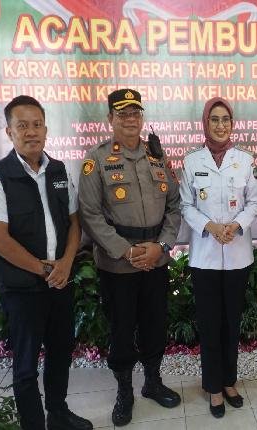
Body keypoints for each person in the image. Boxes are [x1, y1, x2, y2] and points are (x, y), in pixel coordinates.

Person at [0, 95, 92, 430]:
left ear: (45, 129)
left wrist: (66, 263)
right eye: (22, 126)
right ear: (9, 132)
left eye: (37, 125)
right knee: (26, 364)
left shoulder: (59, 170)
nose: (31, 132)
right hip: (23, 288)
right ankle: (33, 424)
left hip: (60, 281)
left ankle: (58, 413)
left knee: (61, 350)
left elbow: (74, 223)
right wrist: (44, 270)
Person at [77, 89, 181, 426]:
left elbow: (174, 206)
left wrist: (161, 246)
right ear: (110, 119)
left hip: (156, 260)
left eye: (135, 113)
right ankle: (124, 391)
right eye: (122, 114)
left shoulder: (157, 157)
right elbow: (89, 214)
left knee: (155, 324)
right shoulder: (96, 160)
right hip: (118, 264)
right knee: (121, 330)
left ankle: (152, 382)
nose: (130, 119)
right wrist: (127, 250)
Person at [179, 97, 257, 418]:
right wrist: (210, 226)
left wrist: (237, 225)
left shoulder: (244, 160)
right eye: (214, 119)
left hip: (238, 256)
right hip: (205, 258)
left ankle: (229, 381)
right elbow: (186, 205)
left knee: (231, 323)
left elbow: (254, 202)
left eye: (225, 119)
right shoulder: (192, 161)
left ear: (232, 123)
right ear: (205, 123)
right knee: (210, 324)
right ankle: (213, 387)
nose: (220, 125)